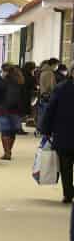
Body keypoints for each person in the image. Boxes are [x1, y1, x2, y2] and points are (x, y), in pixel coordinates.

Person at [40, 75, 74, 203]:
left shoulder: (61, 88)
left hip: (64, 133)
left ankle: (68, 193)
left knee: (66, 166)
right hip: (64, 133)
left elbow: (50, 110)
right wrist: (46, 130)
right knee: (65, 165)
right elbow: (51, 110)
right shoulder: (61, 88)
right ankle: (69, 192)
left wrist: (46, 130)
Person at [0, 64, 27, 160]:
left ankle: (7, 152)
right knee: (12, 132)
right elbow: (24, 97)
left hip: (2, 109)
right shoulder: (20, 82)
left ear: (6, 72)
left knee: (5, 131)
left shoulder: (2, 82)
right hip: (16, 110)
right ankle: (9, 151)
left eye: (2, 71)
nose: (1, 73)